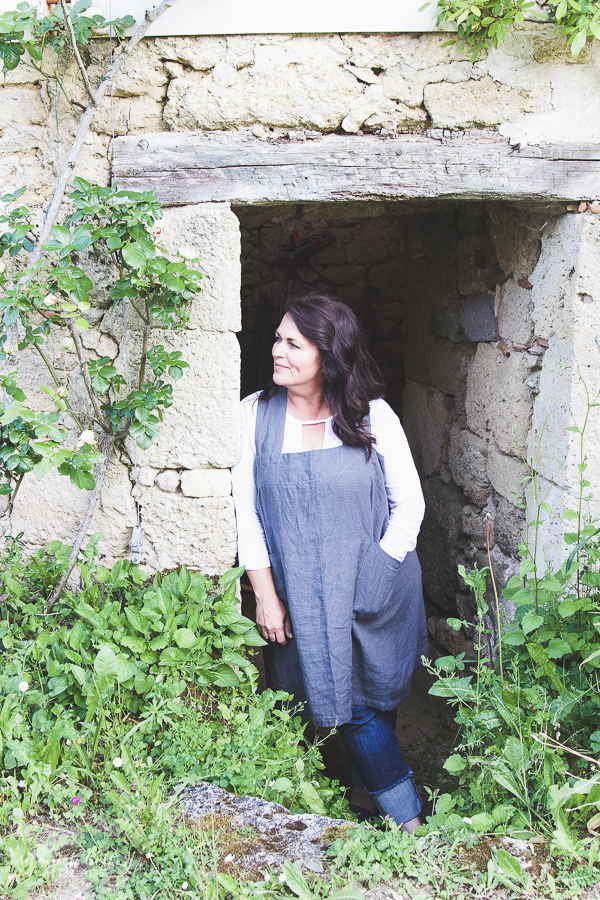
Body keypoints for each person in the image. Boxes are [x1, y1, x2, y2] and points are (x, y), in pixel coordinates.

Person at [231, 293, 427, 831]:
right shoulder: (254, 415)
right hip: (307, 596)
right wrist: (265, 596)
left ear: (329, 354)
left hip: (379, 584)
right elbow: (248, 513)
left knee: (378, 690)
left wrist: (375, 577)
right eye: (277, 338)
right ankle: (410, 820)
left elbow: (408, 504)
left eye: (293, 343)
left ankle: (367, 799)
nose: (277, 351)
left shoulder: (373, 415)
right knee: (352, 703)